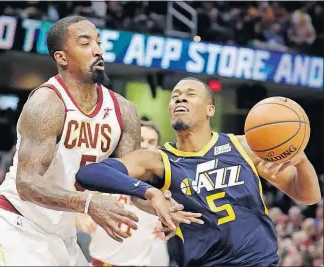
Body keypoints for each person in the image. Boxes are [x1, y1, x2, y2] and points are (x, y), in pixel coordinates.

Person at [0, 16, 195, 266]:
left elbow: (130, 186)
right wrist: (87, 202)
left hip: (63, 234)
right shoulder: (48, 104)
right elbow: (26, 182)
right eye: (85, 43)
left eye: (98, 42)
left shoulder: (124, 110)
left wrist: (160, 206)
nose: (98, 50)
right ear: (62, 57)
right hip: (19, 226)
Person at [76, 77, 322, 266]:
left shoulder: (243, 146)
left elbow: (308, 196)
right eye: (175, 96)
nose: (180, 99)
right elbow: (89, 174)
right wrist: (151, 192)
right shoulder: (158, 161)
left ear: (210, 110)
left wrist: (301, 161)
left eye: (190, 95)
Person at [76, 120, 170, 266]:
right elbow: (77, 202)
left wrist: (167, 223)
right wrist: (79, 217)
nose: (145, 145)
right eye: (141, 140)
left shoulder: (163, 185)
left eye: (151, 142)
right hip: (100, 262)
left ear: (158, 148)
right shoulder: (108, 173)